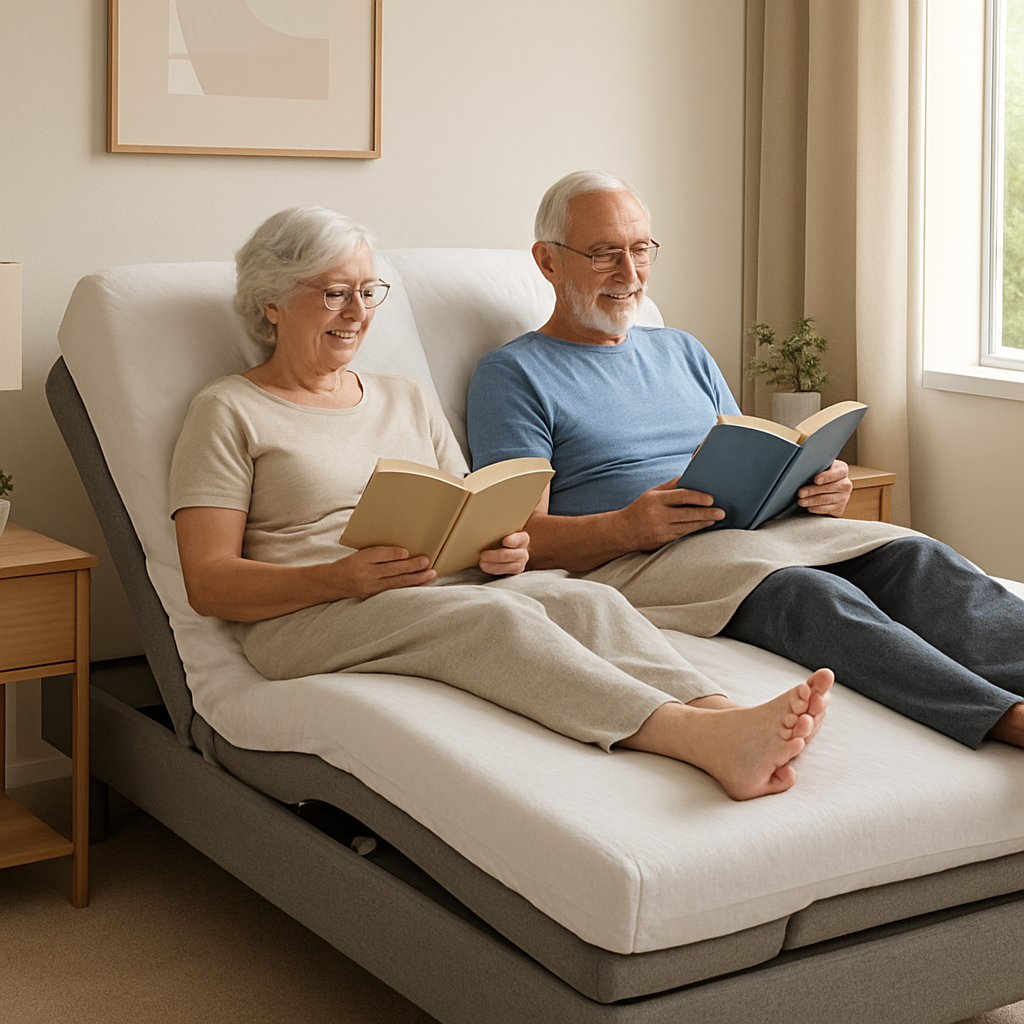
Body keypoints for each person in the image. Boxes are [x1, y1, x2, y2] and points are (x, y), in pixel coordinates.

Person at [168, 205, 835, 801]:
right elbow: (208, 583)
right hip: (307, 613)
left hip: (428, 584)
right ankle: (697, 738)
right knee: (493, 626)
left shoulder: (404, 396)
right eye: (336, 294)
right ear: (271, 303)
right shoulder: (229, 410)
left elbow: (471, 509)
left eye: (368, 291)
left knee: (586, 599)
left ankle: (722, 711)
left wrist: (503, 546)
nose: (358, 313)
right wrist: (340, 577)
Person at [466, 170, 1024, 751]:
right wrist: (627, 526)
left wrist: (813, 483)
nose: (630, 275)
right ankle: (1004, 718)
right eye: (605, 255)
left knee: (918, 556)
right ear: (548, 261)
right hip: (645, 561)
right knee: (808, 596)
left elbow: (750, 454)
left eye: (640, 251)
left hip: (756, 534)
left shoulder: (682, 349)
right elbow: (515, 539)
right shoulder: (512, 374)